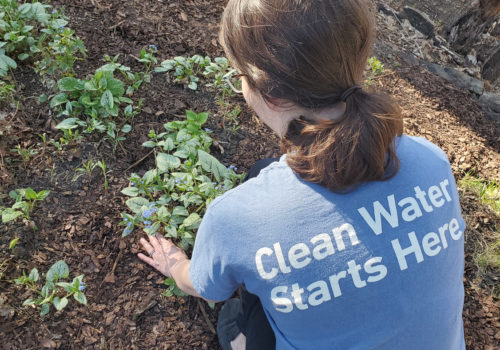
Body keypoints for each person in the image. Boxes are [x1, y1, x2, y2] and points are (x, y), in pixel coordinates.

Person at [137, 0, 466, 349]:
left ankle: (241, 340)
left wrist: (175, 264)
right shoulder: (431, 160)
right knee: (261, 172)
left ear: (270, 93)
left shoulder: (237, 220)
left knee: (247, 309)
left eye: (240, 78)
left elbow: (204, 288)